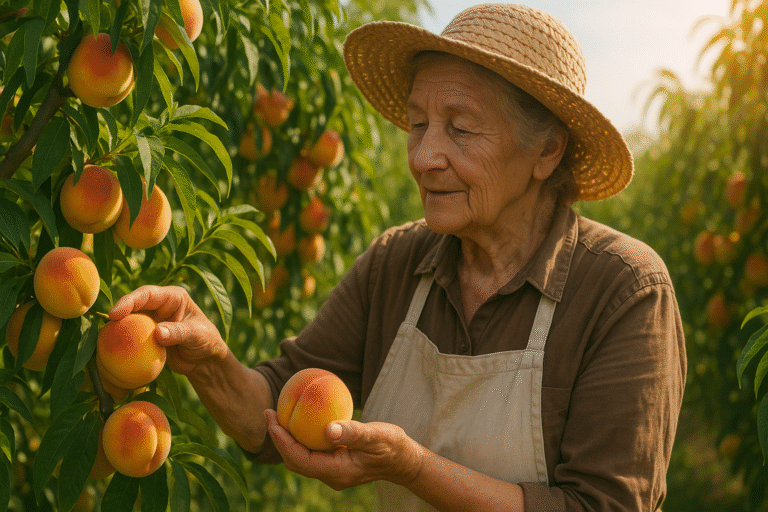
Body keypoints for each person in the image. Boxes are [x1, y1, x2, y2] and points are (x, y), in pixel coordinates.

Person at [109, 4, 686, 511]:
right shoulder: (399, 263)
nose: (424, 155)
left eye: (460, 129)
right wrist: (210, 361)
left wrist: (413, 468)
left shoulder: (622, 291)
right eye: (418, 124)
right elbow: (273, 421)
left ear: (547, 150)